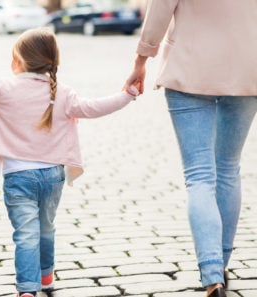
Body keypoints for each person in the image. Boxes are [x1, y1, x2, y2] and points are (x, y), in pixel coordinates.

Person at [0, 27, 139, 297]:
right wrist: (127, 96)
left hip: (19, 178)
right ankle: (46, 277)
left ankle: (27, 289)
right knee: (46, 228)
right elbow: (94, 107)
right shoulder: (62, 93)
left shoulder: (4, 88)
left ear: (19, 61)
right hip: (52, 177)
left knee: (26, 234)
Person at [124, 1, 257, 297]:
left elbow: (159, 9)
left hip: (190, 66)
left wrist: (141, 60)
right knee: (228, 168)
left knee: (200, 176)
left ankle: (212, 277)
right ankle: (220, 264)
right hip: (249, 67)